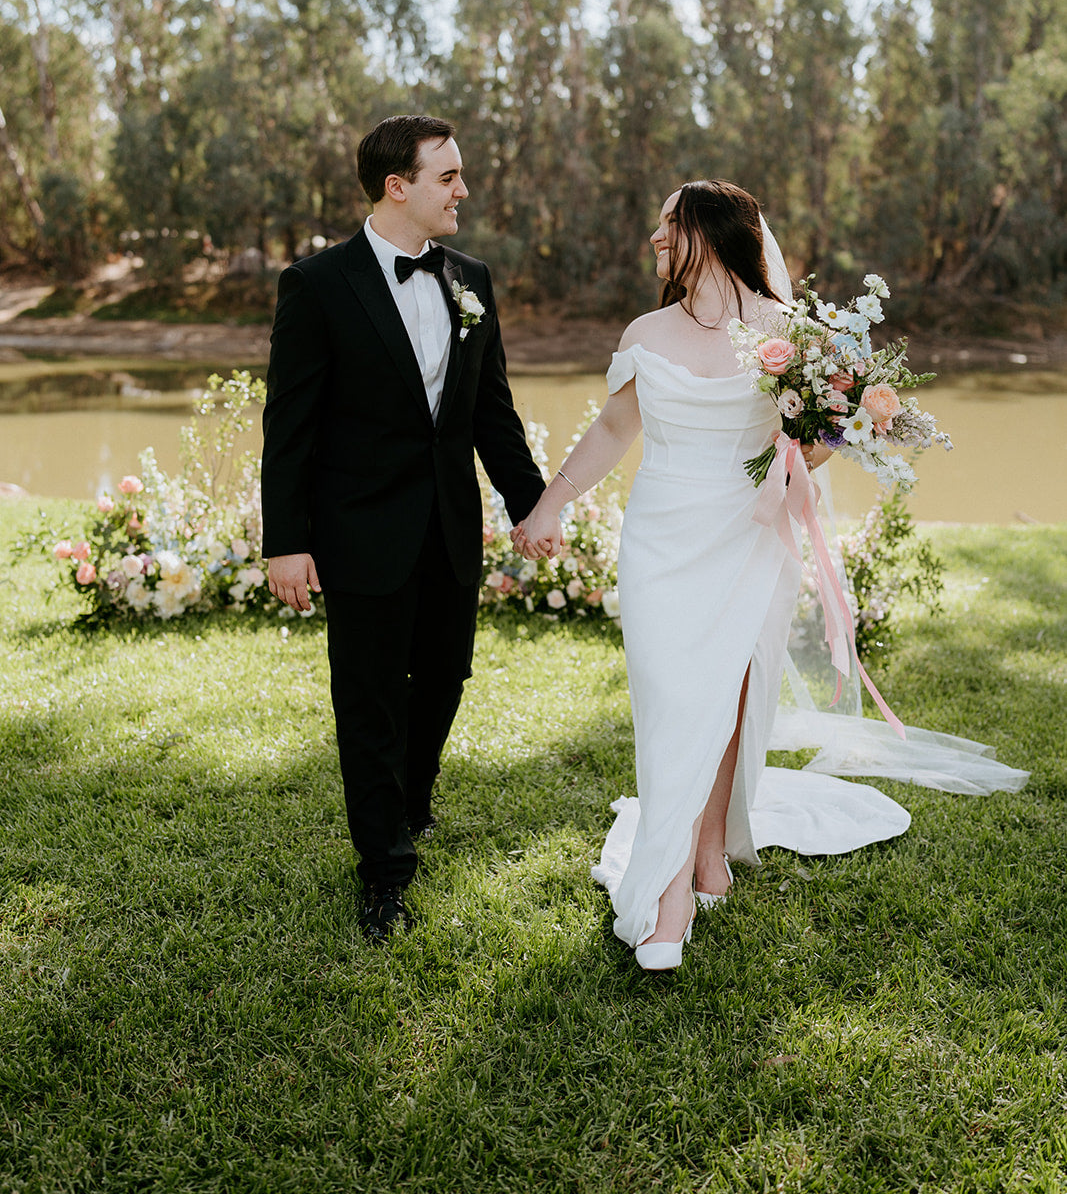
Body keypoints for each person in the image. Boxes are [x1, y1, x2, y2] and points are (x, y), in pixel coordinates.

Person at [514, 180, 913, 971]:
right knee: (671, 700)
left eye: (668, 226)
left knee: (724, 697)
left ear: (712, 231)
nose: (656, 240)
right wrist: (549, 503)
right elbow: (613, 428)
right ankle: (670, 881)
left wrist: (817, 433)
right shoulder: (646, 331)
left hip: (747, 537)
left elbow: (819, 437)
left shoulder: (790, 333)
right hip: (662, 539)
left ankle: (696, 865)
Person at [262, 115, 550, 942]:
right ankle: (384, 870)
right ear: (398, 186)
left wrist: (529, 503)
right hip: (358, 534)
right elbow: (291, 429)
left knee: (446, 677)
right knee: (370, 701)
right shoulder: (316, 286)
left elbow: (490, 412)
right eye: (448, 176)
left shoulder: (472, 280)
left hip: (448, 528)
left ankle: (411, 797)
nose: (463, 190)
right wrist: (287, 539)